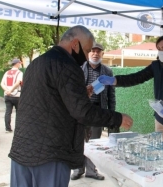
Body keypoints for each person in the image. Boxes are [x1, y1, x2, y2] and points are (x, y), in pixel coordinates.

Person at [8, 25, 133, 187]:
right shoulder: (68, 66)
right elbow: (82, 112)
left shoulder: (36, 63)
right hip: (49, 155)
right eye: (87, 49)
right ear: (75, 44)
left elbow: (47, 99)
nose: (87, 55)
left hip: (22, 150)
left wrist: (80, 93)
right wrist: (117, 118)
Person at [98, 33, 163, 187]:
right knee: (161, 162)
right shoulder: (156, 66)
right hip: (161, 122)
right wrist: (115, 80)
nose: (160, 52)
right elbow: (136, 77)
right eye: (158, 49)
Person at [71, 42, 115, 181]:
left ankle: (91, 170)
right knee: (79, 140)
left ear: (102, 54)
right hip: (81, 110)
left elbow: (111, 95)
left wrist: (111, 115)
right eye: (93, 51)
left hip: (98, 110)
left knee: (94, 142)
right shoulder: (78, 69)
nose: (95, 53)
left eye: (98, 51)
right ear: (88, 53)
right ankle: (78, 169)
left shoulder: (108, 72)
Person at [0, 59, 23, 133]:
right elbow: (17, 83)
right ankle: (18, 129)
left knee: (8, 112)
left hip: (7, 95)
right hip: (16, 95)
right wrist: (11, 90)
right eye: (19, 63)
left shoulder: (7, 72)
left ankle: (8, 128)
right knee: (18, 112)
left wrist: (7, 90)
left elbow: (2, 83)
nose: (20, 64)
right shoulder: (19, 73)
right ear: (17, 64)